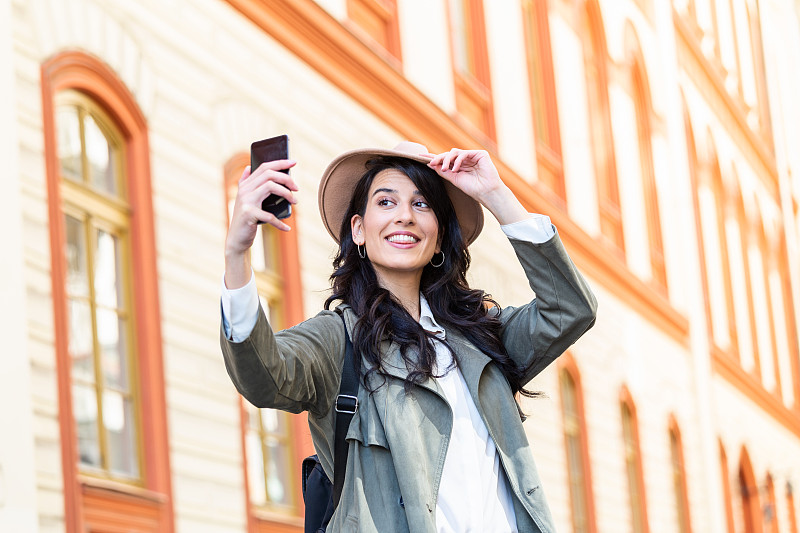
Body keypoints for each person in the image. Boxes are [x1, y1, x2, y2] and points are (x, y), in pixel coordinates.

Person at [220, 142, 597, 533]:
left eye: (422, 204)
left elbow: (570, 308)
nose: (405, 216)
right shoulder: (338, 339)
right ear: (359, 229)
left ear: (439, 236)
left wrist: (495, 195)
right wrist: (238, 252)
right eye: (386, 202)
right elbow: (263, 376)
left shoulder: (482, 335)